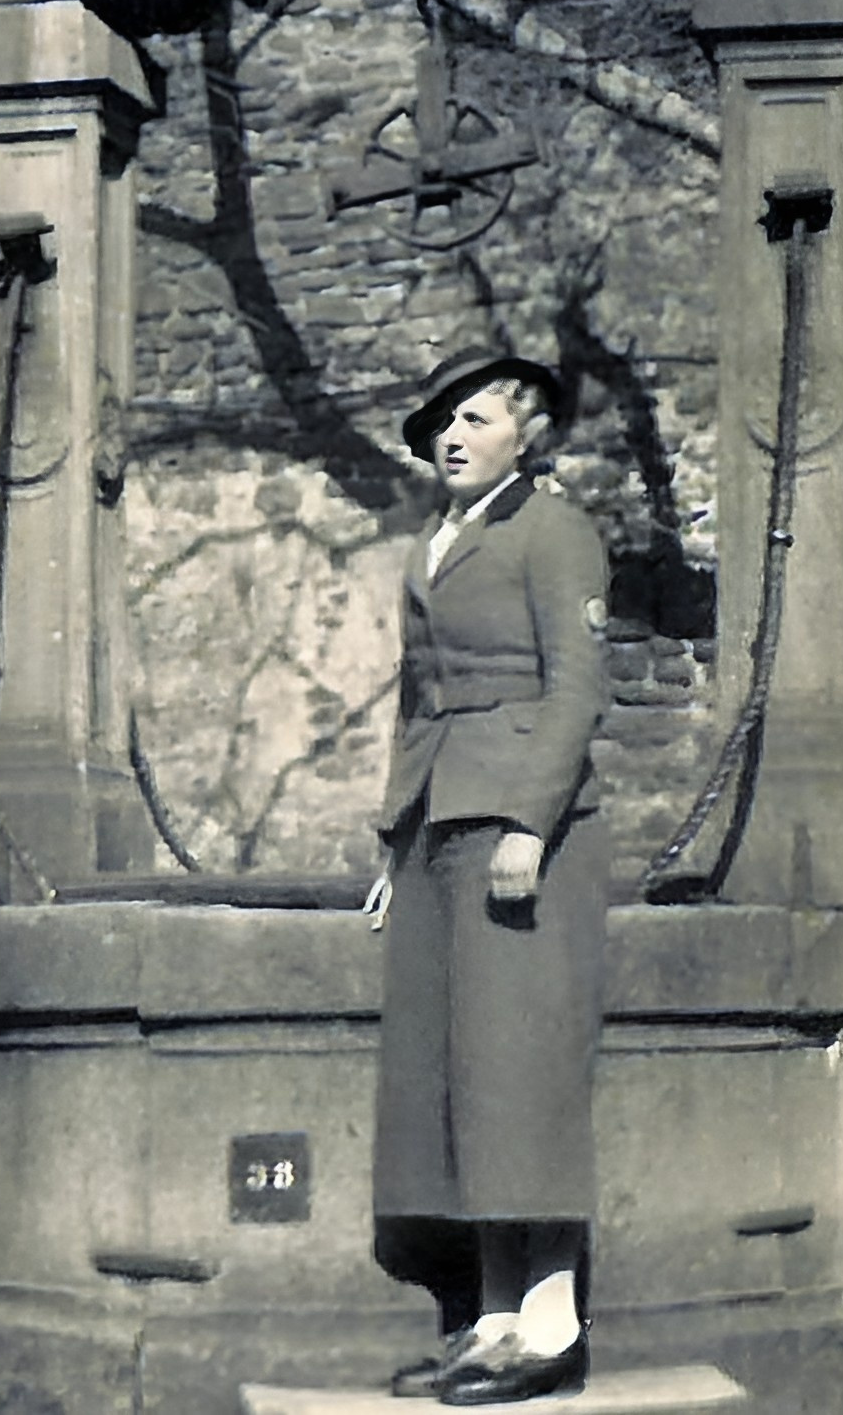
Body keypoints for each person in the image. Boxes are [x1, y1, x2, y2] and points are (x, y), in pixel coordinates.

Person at [370, 346, 610, 1406]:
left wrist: (530, 823)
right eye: (438, 424)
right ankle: (493, 1319)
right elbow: (416, 701)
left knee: (523, 1072)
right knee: (460, 1075)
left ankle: (554, 1326)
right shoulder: (437, 541)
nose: (450, 438)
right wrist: (394, 842)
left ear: (529, 431)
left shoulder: (551, 528)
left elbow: (577, 688)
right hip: (437, 822)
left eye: (472, 418)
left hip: (522, 830)